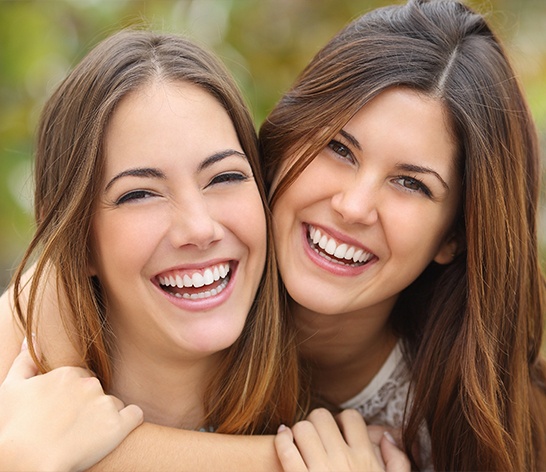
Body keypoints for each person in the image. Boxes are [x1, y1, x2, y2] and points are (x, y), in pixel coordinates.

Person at [2, 0, 546, 470]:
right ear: (284, 143)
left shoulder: (461, 414)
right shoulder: (185, 269)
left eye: (410, 183)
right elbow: (36, 430)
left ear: (455, 235)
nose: (353, 206)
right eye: (338, 148)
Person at [0, 28, 399, 472]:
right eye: (140, 194)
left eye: (225, 177)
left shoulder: (344, 452)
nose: (199, 228)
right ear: (81, 244)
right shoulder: (22, 410)